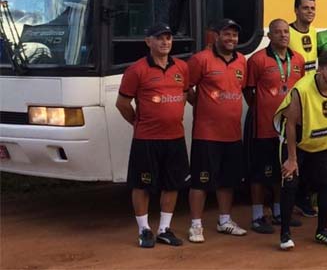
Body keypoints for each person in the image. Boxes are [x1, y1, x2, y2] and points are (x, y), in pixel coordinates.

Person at [116, 23, 190, 248]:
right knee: (143, 185)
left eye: (168, 38)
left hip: (175, 137)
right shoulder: (136, 70)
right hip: (146, 139)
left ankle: (165, 229)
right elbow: (122, 103)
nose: (165, 42)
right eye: (159, 38)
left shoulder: (182, 68)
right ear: (148, 41)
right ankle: (144, 230)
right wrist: (138, 122)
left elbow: (184, 94)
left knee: (172, 184)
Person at [275, 50, 327, 249]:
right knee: (290, 184)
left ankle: (323, 231)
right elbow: (290, 124)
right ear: (320, 70)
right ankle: (285, 234)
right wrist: (291, 159)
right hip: (297, 143)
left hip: (323, 142)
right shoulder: (302, 89)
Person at [187, 19, 249, 243]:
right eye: (226, 34)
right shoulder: (200, 59)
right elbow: (187, 87)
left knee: (228, 180)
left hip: (232, 133)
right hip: (206, 134)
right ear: (215, 36)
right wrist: (203, 105)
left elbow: (242, 90)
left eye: (234, 35)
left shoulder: (242, 61)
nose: (231, 39)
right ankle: (196, 225)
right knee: (200, 182)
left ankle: (225, 221)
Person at [243, 19, 306, 234]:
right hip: (264, 128)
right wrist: (261, 109)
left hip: (287, 129)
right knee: (260, 175)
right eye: (277, 32)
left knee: (283, 172)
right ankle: (258, 216)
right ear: (269, 36)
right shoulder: (257, 59)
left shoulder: (298, 59)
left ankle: (279, 212)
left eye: (286, 31)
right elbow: (248, 91)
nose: (283, 35)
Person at [289, 0, 318, 73]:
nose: (310, 11)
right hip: (295, 84)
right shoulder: (286, 32)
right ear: (296, 10)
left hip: (311, 84)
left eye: (313, 8)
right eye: (305, 8)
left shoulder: (313, 31)